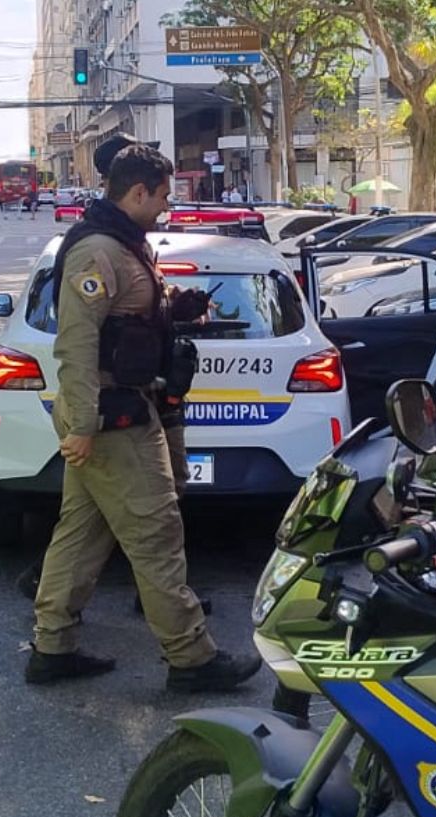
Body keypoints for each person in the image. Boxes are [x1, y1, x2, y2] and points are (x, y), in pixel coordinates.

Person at [26, 143, 260, 692]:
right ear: (136, 192)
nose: (165, 205)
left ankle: (52, 647)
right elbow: (77, 344)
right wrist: (83, 424)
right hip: (111, 419)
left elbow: (131, 313)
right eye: (161, 196)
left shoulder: (126, 244)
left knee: (81, 534)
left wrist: (176, 307)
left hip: (118, 412)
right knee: (157, 532)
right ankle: (191, 657)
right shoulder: (97, 252)